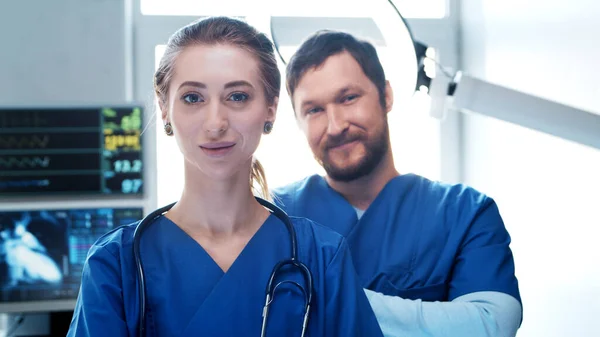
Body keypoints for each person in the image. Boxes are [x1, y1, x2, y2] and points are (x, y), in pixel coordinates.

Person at [67, 18, 384, 337]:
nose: (216, 123)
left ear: (271, 108)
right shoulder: (115, 264)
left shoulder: (322, 257)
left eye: (237, 97)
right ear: (164, 107)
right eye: (193, 98)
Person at [273, 30, 523, 337]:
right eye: (314, 110)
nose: (336, 126)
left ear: (386, 95)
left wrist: (321, 299)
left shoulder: (465, 213)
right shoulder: (274, 215)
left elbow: (491, 324)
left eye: (349, 98)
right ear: (298, 121)